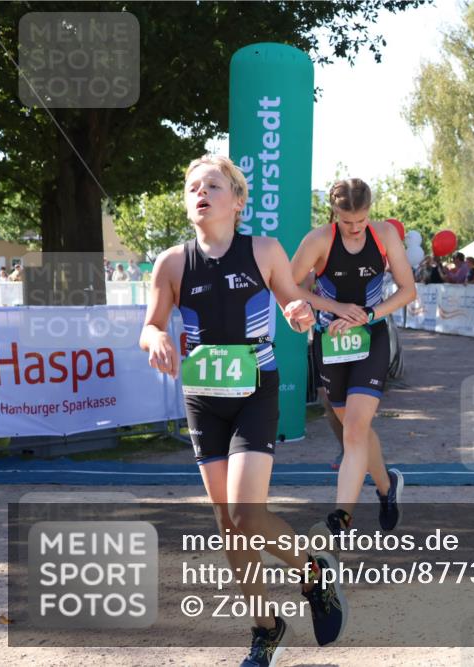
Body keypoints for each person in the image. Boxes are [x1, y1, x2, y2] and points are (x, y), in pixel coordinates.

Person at [140, 155, 326, 666]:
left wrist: (296, 311)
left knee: (247, 513)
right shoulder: (172, 263)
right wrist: (155, 338)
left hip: (254, 394)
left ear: (237, 202)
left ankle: (312, 571)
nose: (201, 192)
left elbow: (292, 303)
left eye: (213, 185)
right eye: (193, 186)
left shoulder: (264, 250)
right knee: (228, 524)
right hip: (203, 401)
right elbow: (150, 325)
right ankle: (266, 629)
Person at [289, 178, 416, 597]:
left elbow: (408, 290)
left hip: (372, 335)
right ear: (334, 215)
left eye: (361, 220)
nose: (356, 228)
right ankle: (386, 486)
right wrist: (328, 309)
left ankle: (341, 516)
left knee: (357, 429)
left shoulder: (385, 235)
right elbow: (289, 287)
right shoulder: (318, 240)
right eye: (348, 222)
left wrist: (369, 313)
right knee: (351, 429)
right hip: (330, 342)